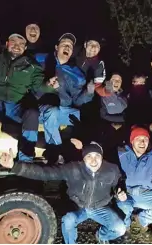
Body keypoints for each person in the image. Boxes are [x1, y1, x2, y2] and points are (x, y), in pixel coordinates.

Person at [0, 142, 127, 244]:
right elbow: (45, 173)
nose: (94, 161)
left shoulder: (112, 169)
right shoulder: (73, 168)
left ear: (102, 157)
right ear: (83, 158)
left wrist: (119, 191)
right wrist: (15, 166)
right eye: (89, 156)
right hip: (78, 206)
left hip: (100, 207)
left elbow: (119, 182)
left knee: (120, 228)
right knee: (68, 219)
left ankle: (101, 235)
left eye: (97, 156)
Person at [0, 33, 58, 170]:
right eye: (13, 42)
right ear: (7, 44)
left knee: (32, 113)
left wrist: (48, 85)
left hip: (15, 104)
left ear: (25, 48)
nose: (16, 46)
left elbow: (39, 85)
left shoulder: (31, 66)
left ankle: (26, 160)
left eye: (20, 44)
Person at [39, 33, 95, 163]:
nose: (67, 47)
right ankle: (55, 153)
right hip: (42, 109)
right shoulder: (41, 61)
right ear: (56, 47)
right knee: (52, 112)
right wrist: (47, 85)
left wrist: (88, 92)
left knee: (86, 117)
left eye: (70, 46)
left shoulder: (75, 72)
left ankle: (85, 156)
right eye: (64, 44)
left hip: (64, 109)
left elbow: (77, 100)